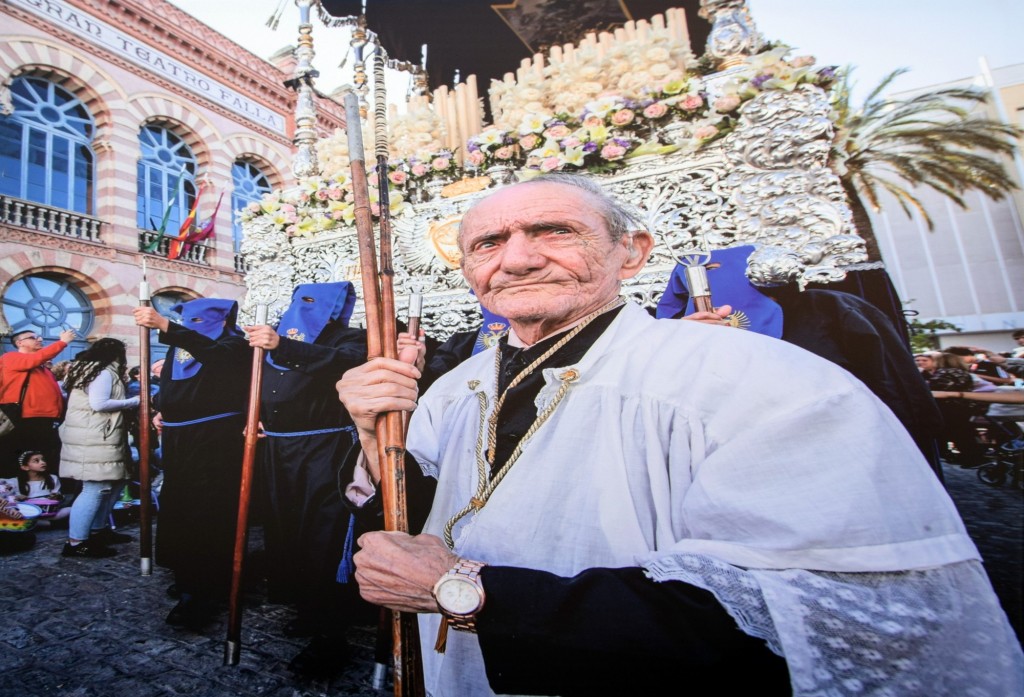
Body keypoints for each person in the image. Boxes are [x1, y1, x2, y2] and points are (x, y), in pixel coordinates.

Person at [336, 174, 1022, 696]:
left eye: (553, 231)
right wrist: (373, 433)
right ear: (470, 272)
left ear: (630, 252)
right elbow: (422, 520)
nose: (517, 259)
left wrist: (469, 589)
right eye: (489, 243)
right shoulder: (453, 389)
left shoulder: (756, 377)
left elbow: (785, 612)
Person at [243, 282, 371, 677]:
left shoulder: (350, 338)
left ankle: (331, 633)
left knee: (324, 537)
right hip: (278, 451)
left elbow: (337, 363)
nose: (306, 309)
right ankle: (307, 607)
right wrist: (253, 418)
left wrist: (282, 345)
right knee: (286, 532)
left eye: (315, 303)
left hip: (326, 451)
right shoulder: (274, 337)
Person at [133, 299, 251, 629]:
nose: (193, 324)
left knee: (207, 514)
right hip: (178, 440)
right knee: (178, 510)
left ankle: (204, 591)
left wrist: (169, 327)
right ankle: (188, 576)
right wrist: (162, 409)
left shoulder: (233, 344)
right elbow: (172, 385)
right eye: (188, 320)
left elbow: (217, 357)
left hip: (216, 440)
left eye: (200, 319)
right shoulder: (178, 347)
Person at [58, 339, 140, 558]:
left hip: (96, 434)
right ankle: (76, 542)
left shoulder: (89, 369)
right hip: (95, 436)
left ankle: (98, 530)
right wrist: (134, 402)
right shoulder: (102, 372)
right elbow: (99, 404)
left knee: (114, 482)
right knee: (94, 488)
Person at [0, 329, 76, 478]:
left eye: (39, 337)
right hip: (23, 419)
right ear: (19, 343)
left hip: (45, 420)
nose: (39, 339)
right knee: (20, 459)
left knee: (44, 459)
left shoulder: (41, 366)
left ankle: (43, 490)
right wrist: (62, 343)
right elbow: (33, 360)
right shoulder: (10, 357)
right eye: (33, 337)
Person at [13, 450, 70, 524]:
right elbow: (9, 499)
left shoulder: (52, 478)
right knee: (14, 516)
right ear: (25, 467)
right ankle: (49, 524)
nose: (42, 462)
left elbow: (59, 498)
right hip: (28, 513)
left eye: (43, 460)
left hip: (49, 513)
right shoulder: (15, 481)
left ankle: (43, 523)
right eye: (36, 461)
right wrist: (17, 498)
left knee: (71, 509)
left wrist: (58, 497)